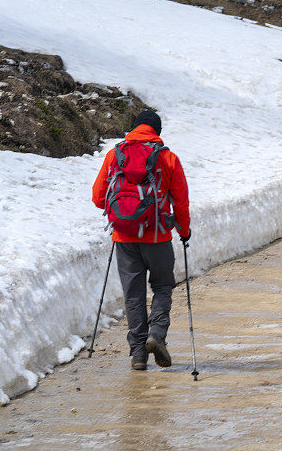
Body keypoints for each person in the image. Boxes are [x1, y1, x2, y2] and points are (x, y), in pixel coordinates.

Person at [92, 110, 191, 371]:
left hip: (124, 238)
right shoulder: (168, 158)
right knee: (162, 286)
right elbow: (180, 201)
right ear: (157, 132)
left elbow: (98, 197)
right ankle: (156, 335)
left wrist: (124, 213)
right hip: (157, 237)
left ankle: (138, 354)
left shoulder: (116, 155)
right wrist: (184, 231)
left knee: (133, 295)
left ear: (134, 127)